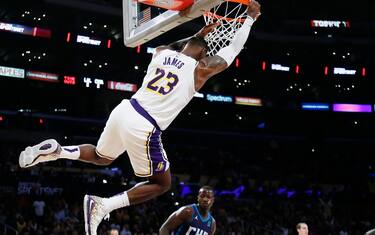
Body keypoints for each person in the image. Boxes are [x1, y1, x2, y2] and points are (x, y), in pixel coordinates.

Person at [18, 1, 261, 234]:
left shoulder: (161, 53)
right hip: (145, 125)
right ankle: (103, 205)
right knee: (162, 184)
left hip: (125, 110)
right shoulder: (200, 69)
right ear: (202, 56)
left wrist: (199, 34)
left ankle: (58, 150)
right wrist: (249, 19)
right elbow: (231, 51)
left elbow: (177, 47)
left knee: (103, 157)